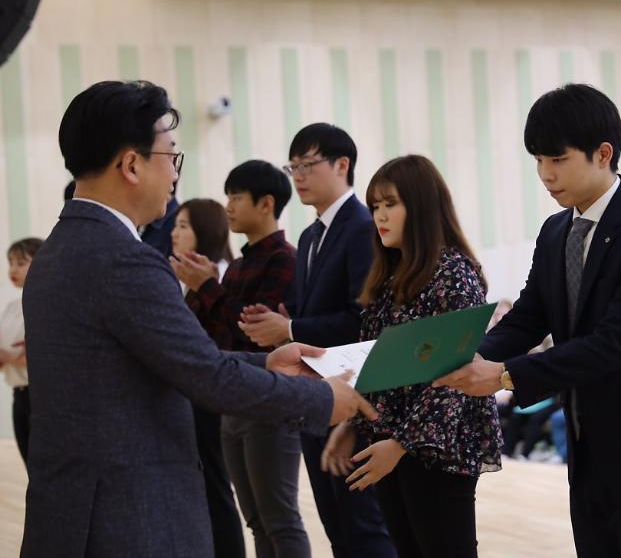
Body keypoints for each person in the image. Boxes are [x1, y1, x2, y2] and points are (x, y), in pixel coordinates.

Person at [21, 80, 376, 557]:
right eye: (171, 156)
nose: (174, 174)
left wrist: (267, 362)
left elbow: (167, 359)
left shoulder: (56, 252)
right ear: (131, 164)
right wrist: (320, 397)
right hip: (130, 518)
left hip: (72, 511)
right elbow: (206, 375)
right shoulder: (124, 260)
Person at [436, 84, 621, 557]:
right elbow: (529, 317)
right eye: (537, 161)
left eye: (558, 159)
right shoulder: (555, 231)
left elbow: (616, 342)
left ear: (603, 154)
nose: (545, 174)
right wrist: (467, 355)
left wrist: (505, 375)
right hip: (587, 450)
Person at [322, 155, 503, 558]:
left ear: (421, 206)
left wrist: (401, 444)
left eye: (391, 204)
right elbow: (377, 363)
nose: (380, 216)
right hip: (392, 440)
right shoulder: (390, 276)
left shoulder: (453, 273)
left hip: (439, 450)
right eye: (375, 206)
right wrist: (353, 422)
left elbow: (455, 375)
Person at [239, 123, 395, 558]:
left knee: (365, 527)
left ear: (342, 165)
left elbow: (363, 320)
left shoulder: (363, 226)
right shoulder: (310, 235)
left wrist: (289, 330)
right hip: (315, 393)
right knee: (337, 526)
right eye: (293, 167)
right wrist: (280, 321)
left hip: (353, 393)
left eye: (308, 165)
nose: (299, 176)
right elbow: (307, 311)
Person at [172, 160, 311, 558]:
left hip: (270, 401)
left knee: (280, 519)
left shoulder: (284, 258)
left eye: (236, 197)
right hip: (235, 403)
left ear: (266, 204)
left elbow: (254, 333)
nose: (228, 206)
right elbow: (222, 336)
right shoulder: (237, 266)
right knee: (256, 519)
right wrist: (208, 289)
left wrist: (207, 287)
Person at [170, 198, 244, 558]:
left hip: (215, 398)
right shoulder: (187, 278)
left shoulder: (219, 276)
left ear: (206, 231)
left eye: (183, 226)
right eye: (175, 225)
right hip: (195, 397)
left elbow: (224, 336)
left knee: (217, 490)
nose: (174, 233)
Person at [0, 237, 42, 464]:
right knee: (29, 461)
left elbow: (44, 355)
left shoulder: (47, 304)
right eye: (11, 263)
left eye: (21, 263)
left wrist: (13, 357)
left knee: (43, 464)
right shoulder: (12, 307)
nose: (13, 269)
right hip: (19, 394)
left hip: (41, 395)